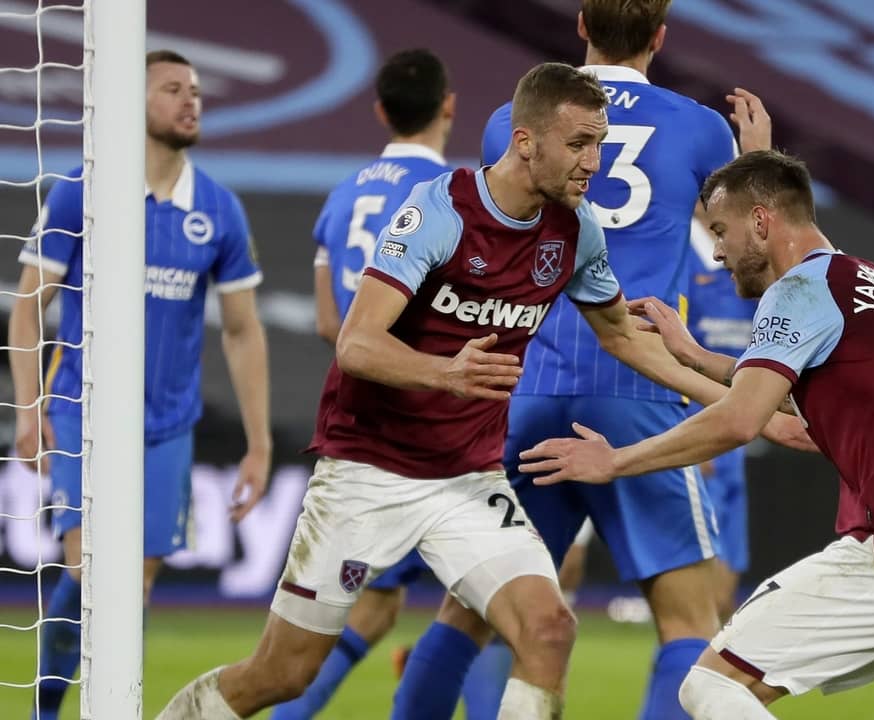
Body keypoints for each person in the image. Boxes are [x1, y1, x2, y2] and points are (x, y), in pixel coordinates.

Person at [157, 62, 807, 720]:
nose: (595, 163)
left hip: (467, 477)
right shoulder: (440, 211)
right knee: (283, 674)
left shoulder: (575, 231)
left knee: (549, 628)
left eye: (600, 144)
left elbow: (624, 337)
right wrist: (447, 373)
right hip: (368, 471)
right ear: (526, 143)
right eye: (580, 145)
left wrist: (736, 405)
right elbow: (355, 343)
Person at [519, 150, 874, 720]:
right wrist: (696, 359)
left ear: (762, 221)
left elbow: (741, 422)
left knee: (708, 687)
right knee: (738, 687)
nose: (719, 251)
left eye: (721, 231)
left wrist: (614, 462)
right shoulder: (864, 280)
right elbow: (788, 427)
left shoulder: (800, 290)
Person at [395, 2, 771, 716]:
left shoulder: (514, 122)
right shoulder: (699, 126)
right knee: (690, 623)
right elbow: (748, 243)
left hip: (526, 384)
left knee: (467, 612)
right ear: (660, 37)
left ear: (579, 27)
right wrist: (756, 161)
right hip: (638, 384)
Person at [9, 50, 271, 720]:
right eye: (173, 89)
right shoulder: (80, 190)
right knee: (91, 576)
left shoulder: (217, 210)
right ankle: (45, 709)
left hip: (169, 429)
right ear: (133, 103)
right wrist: (28, 408)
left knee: (134, 588)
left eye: (198, 91)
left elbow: (243, 331)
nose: (192, 101)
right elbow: (27, 304)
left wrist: (260, 442)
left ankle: (107, 707)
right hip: (81, 415)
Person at [269, 48, 463, 720]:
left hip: (359, 427)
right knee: (495, 605)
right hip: (443, 430)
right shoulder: (461, 196)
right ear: (449, 106)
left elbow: (332, 321)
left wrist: (375, 354)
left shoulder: (344, 194)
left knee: (369, 608)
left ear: (380, 109)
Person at [685, 220, 759, 621]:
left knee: (726, 592)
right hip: (702, 435)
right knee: (701, 602)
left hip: (736, 443)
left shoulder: (754, 264)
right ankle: (688, 677)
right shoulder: (682, 257)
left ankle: (712, 676)